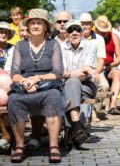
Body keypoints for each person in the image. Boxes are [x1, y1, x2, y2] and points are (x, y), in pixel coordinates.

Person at [8, 9, 64, 163]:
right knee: (14, 100)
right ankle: (19, 145)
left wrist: (37, 78)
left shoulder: (54, 45)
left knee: (54, 96)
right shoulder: (20, 46)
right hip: (25, 85)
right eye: (33, 22)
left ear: (46, 27)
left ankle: (54, 146)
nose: (36, 25)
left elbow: (58, 73)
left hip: (47, 84)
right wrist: (26, 82)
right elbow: (14, 73)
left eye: (39, 23)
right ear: (28, 26)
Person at [61, 19, 100, 144]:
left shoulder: (92, 45)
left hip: (87, 85)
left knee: (70, 84)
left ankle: (74, 127)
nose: (74, 33)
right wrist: (82, 70)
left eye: (77, 29)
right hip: (69, 85)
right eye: (70, 30)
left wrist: (70, 74)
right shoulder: (60, 47)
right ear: (66, 34)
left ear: (82, 32)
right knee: (71, 85)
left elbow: (85, 75)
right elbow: (63, 73)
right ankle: (77, 127)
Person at [94, 16, 120, 115]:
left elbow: (119, 57)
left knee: (117, 73)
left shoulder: (114, 37)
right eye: (101, 31)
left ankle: (113, 105)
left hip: (109, 65)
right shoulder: (91, 36)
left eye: (105, 31)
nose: (103, 33)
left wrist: (111, 65)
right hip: (95, 66)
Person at [0, 22, 15, 150]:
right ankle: (6, 133)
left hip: (10, 81)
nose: (3, 34)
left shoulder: (13, 48)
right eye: (1, 32)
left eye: (6, 32)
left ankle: (8, 134)